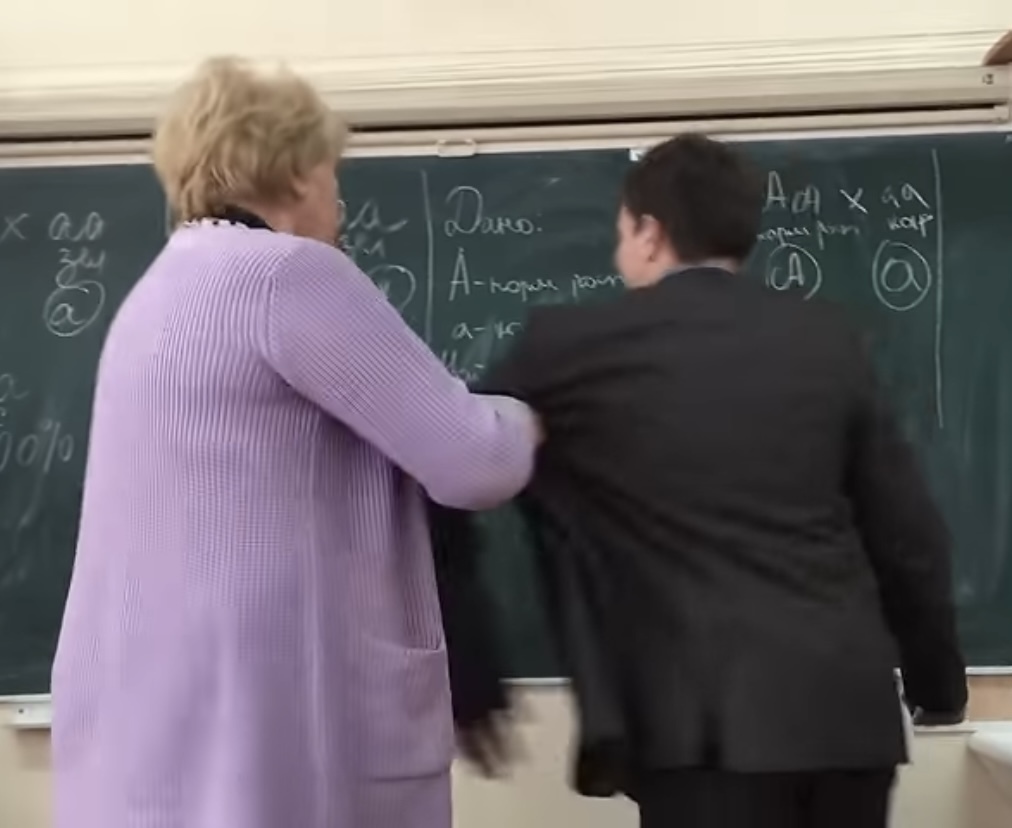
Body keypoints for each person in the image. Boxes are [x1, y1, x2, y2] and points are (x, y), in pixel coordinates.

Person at [50, 57, 539, 828]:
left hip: (165, 724)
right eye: (334, 171)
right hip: (270, 714)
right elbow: (475, 461)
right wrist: (526, 416)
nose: (338, 199)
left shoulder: (156, 293)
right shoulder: (288, 276)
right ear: (299, 170)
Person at [432, 133, 968, 827]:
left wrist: (468, 674)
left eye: (621, 232)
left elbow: (449, 464)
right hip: (845, 720)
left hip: (698, 731)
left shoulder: (566, 346)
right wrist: (938, 683)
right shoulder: (827, 338)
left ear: (650, 233)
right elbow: (906, 534)